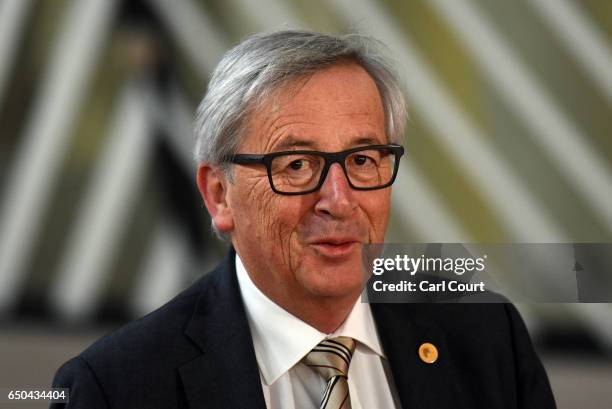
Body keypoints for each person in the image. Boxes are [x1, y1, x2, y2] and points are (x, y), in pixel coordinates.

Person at [51, 30, 556, 409]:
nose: (338, 200)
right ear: (219, 195)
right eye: (295, 165)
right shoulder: (112, 388)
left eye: (362, 161)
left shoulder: (488, 337)